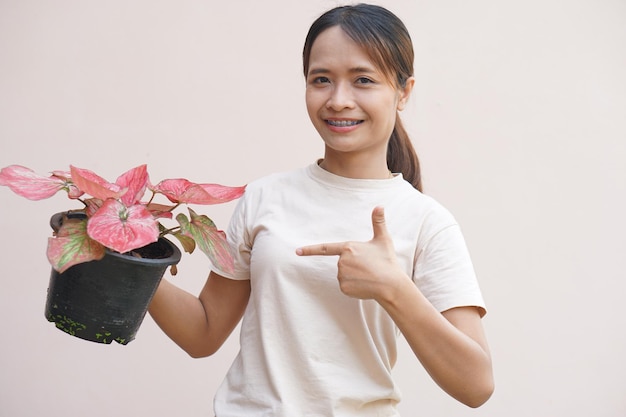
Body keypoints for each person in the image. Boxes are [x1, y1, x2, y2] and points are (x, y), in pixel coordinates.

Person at [148, 3, 494, 416]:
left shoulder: (427, 222)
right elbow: (202, 333)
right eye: (321, 80)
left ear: (403, 92)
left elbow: (476, 385)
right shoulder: (263, 197)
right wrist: (130, 256)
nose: (338, 100)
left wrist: (394, 287)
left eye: (363, 79)